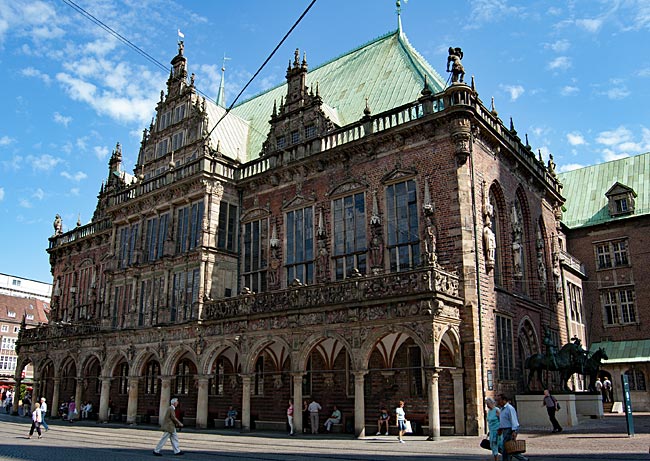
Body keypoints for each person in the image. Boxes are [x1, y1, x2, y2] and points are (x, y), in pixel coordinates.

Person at [497, 394, 528, 461]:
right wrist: (500, 428)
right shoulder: (502, 409)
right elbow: (503, 420)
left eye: (499, 400)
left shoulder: (509, 408)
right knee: (508, 448)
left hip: (509, 430)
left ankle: (523, 459)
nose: (498, 402)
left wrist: (514, 431)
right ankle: (523, 459)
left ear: (504, 400)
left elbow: (513, 420)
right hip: (505, 430)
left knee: (507, 448)